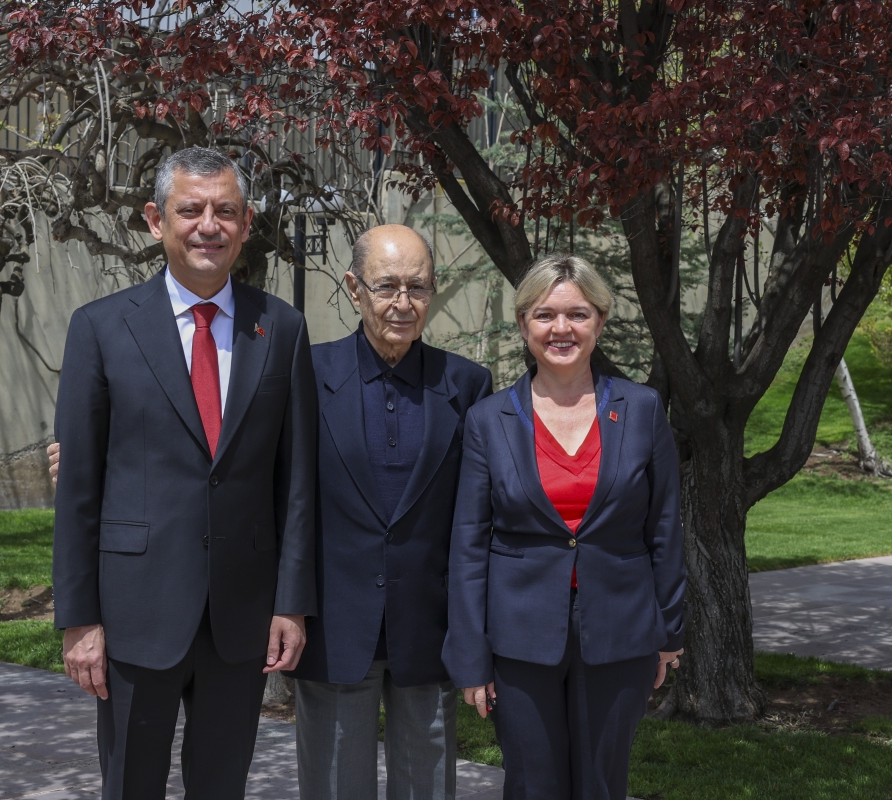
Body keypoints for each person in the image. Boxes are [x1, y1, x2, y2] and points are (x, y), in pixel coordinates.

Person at [51, 146, 317, 800]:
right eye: (190, 210)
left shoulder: (280, 329)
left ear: (246, 222)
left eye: (225, 211)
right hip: (136, 609)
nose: (208, 226)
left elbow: (298, 482)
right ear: (154, 220)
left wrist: (291, 603)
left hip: (242, 614)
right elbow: (79, 491)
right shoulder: (101, 329)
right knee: (131, 784)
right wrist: (79, 619)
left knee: (222, 786)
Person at [442, 253, 686, 800]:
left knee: (602, 785)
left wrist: (669, 633)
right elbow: (468, 546)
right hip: (519, 637)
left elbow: (665, 525)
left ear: (600, 320)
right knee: (532, 785)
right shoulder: (489, 420)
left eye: (577, 314)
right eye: (544, 314)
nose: (561, 329)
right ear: (524, 322)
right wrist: (470, 657)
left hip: (620, 632)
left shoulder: (643, 409)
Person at [290, 225, 492, 800]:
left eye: (418, 287)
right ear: (355, 289)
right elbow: (248, 472)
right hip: (333, 626)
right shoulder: (306, 374)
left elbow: (484, 510)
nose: (403, 303)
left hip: (429, 629)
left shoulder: (467, 386)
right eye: (386, 286)